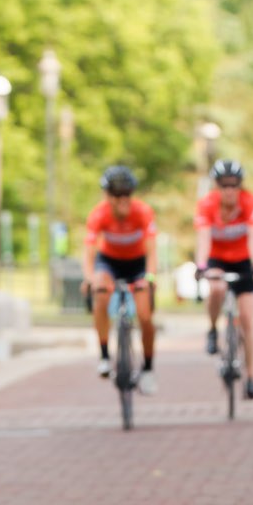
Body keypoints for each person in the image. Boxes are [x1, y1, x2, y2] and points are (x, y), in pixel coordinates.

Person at [84, 164, 160, 397]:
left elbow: (152, 251)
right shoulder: (99, 214)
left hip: (137, 264)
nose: (122, 199)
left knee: (145, 316)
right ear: (108, 196)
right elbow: (89, 250)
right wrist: (90, 280)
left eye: (127, 194)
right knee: (101, 295)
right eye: (116, 195)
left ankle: (147, 369)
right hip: (109, 262)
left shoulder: (143, 212)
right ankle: (105, 355)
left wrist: (149, 277)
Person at [196, 157, 253, 401]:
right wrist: (202, 265)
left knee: (247, 319)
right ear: (217, 186)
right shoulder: (207, 205)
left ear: (240, 185)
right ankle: (213, 329)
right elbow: (203, 238)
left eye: (233, 185)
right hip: (217, 258)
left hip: (244, 260)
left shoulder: (251, 203)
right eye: (224, 185)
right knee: (216, 288)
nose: (229, 190)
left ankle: (252, 377)